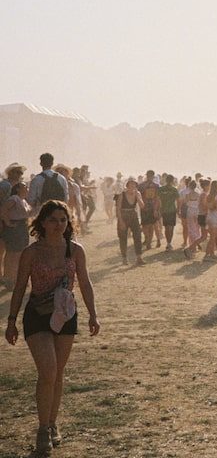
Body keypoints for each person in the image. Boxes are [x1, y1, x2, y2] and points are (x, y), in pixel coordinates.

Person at [5, 200, 100, 455]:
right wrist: (11, 320)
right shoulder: (31, 253)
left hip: (65, 315)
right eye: (53, 220)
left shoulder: (75, 250)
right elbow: (20, 286)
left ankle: (52, 423)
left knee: (57, 373)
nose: (59, 225)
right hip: (37, 316)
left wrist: (93, 314)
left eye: (63, 220)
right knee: (47, 370)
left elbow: (86, 283)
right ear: (42, 223)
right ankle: (42, 428)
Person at [1, 181, 33, 290]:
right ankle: (9, 278)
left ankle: (16, 278)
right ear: (18, 189)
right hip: (14, 228)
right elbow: (3, 210)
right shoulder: (14, 198)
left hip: (22, 227)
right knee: (12, 254)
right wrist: (8, 223)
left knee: (20, 253)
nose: (27, 188)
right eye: (24, 187)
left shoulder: (23, 200)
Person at [116, 178, 145, 266]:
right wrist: (120, 221)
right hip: (124, 215)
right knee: (123, 238)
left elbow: (142, 206)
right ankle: (124, 258)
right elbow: (118, 209)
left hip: (133, 215)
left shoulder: (138, 193)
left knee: (137, 236)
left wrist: (137, 196)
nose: (132, 186)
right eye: (130, 184)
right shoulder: (122, 195)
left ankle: (139, 257)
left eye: (134, 185)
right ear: (127, 185)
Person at [138, 170, 161, 249]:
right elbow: (157, 199)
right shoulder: (156, 186)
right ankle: (151, 241)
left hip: (145, 208)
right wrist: (156, 209)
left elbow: (139, 197)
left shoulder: (141, 186)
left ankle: (148, 241)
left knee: (146, 226)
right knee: (153, 226)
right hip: (152, 207)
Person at [157, 175, 180, 251]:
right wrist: (178, 209)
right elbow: (178, 201)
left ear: (166, 180)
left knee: (167, 227)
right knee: (171, 227)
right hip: (172, 210)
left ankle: (168, 243)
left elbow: (158, 200)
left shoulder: (161, 189)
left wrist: (158, 209)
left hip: (164, 210)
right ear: (173, 181)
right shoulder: (174, 189)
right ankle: (169, 243)